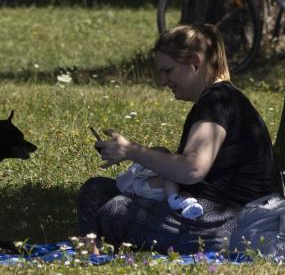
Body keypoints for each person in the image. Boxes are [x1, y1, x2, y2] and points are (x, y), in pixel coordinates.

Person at [78, 24, 273, 253]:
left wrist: (132, 150)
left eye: (168, 71)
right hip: (206, 215)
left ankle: (89, 252)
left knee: (116, 209)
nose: (162, 81)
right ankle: (89, 252)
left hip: (222, 225)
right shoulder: (220, 99)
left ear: (195, 61)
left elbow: (191, 169)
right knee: (96, 189)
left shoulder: (216, 101)